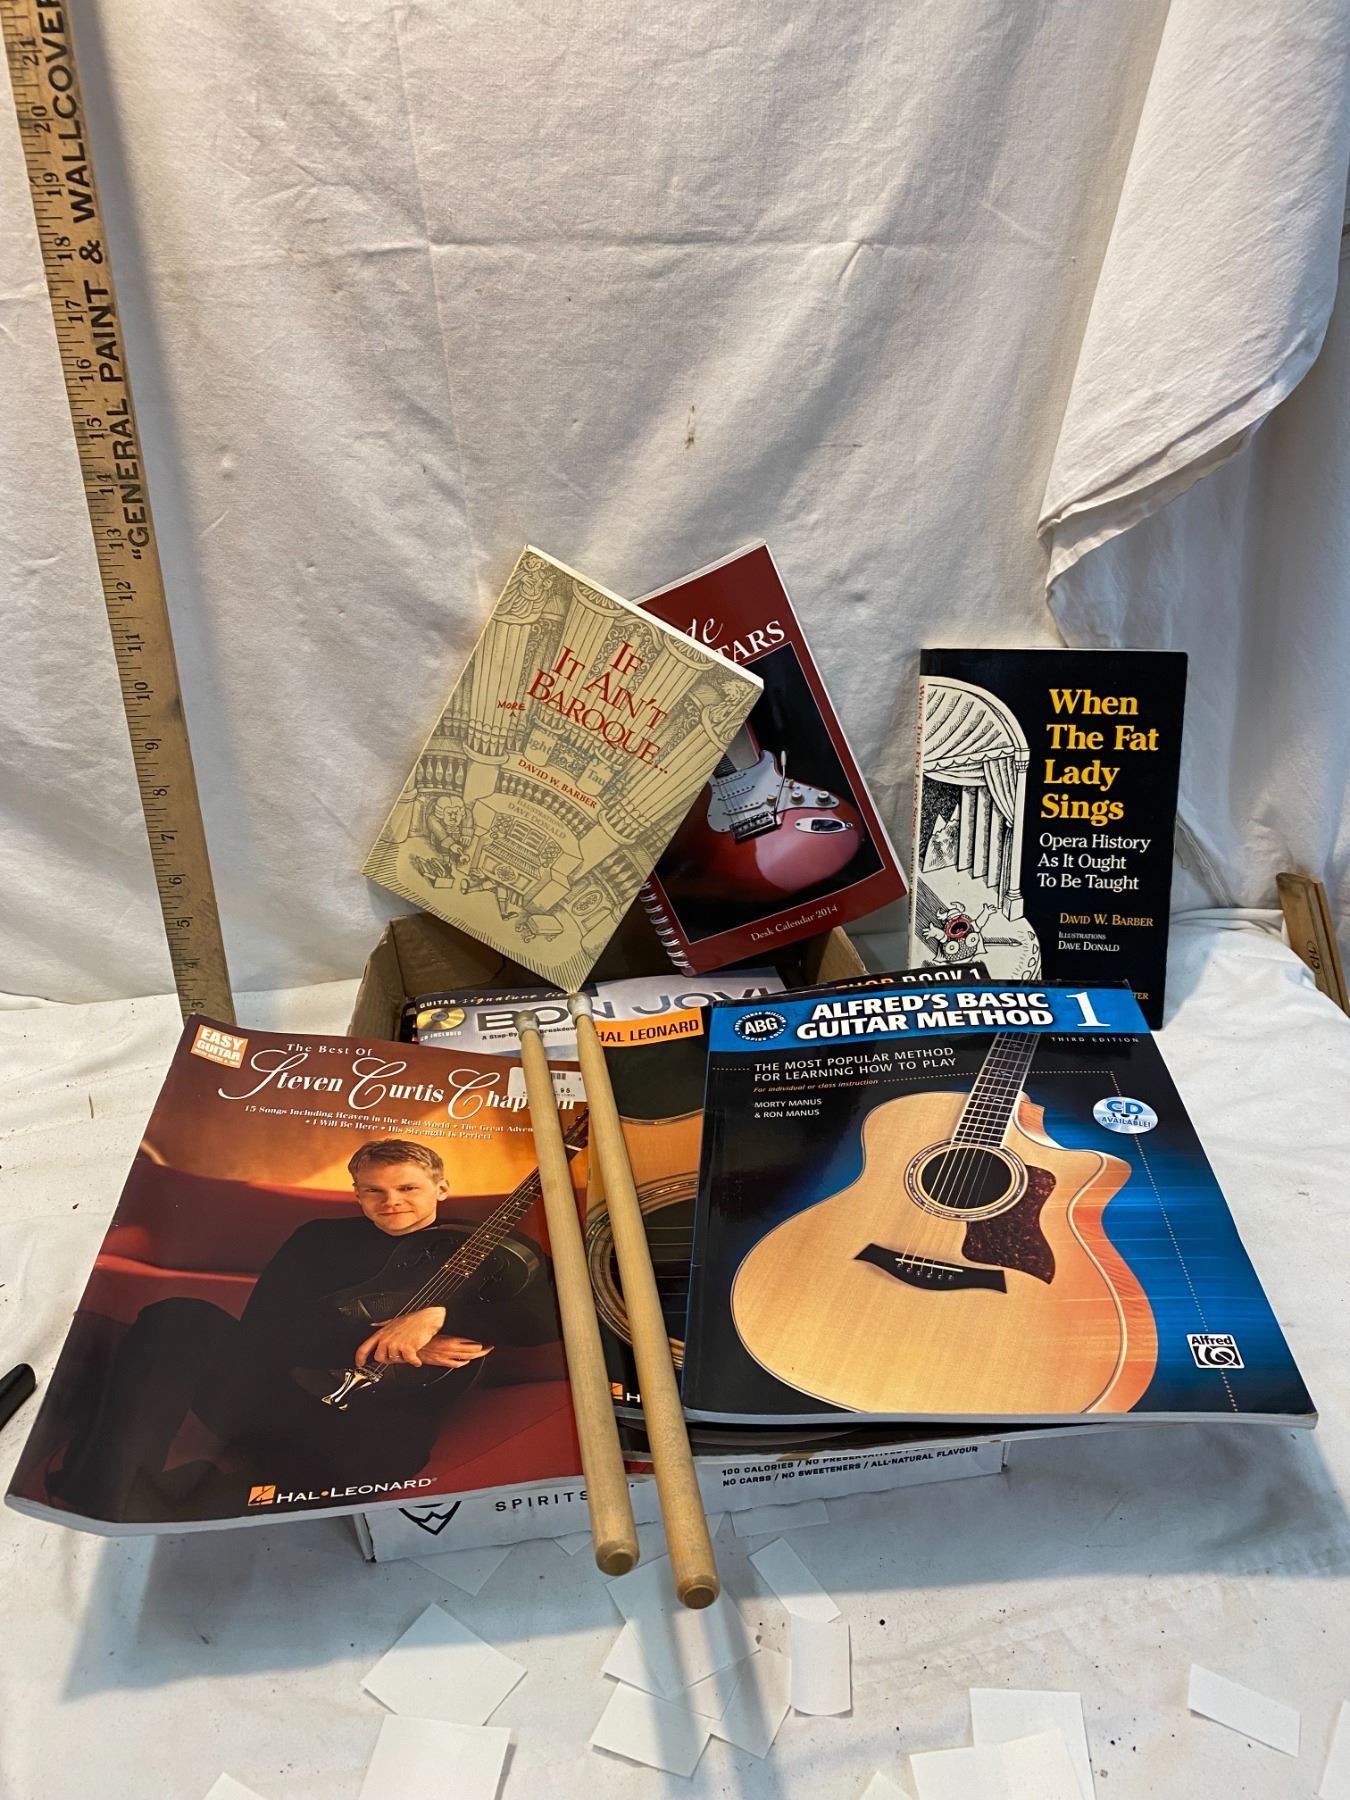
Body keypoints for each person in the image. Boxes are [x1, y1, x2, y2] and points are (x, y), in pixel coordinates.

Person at [49, 1140, 558, 1524]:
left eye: (408, 1188)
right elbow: (265, 1331)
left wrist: (435, 1320)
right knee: (178, 1315)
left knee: (381, 1464)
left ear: (441, 1189)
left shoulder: (493, 1250)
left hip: (369, 1425)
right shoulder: (318, 1239)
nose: (391, 1202)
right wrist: (387, 1347)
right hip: (273, 1396)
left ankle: (218, 1487)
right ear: (356, 1193)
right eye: (374, 1191)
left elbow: (548, 1317)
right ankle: (106, 1485)